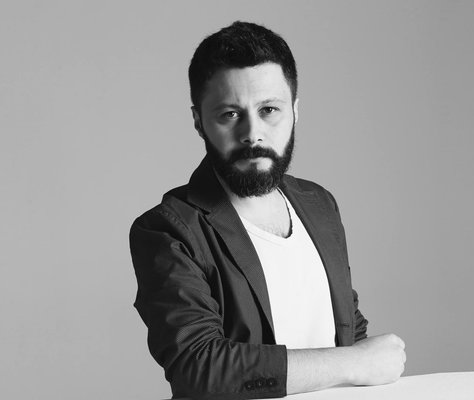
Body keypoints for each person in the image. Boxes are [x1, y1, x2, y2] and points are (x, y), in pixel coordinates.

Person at [129, 21, 406, 400]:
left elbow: (344, 325)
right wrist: (355, 363)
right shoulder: (168, 230)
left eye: (269, 109)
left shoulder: (319, 204)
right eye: (230, 114)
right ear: (198, 121)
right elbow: (198, 367)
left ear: (295, 110)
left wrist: (361, 362)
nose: (252, 133)